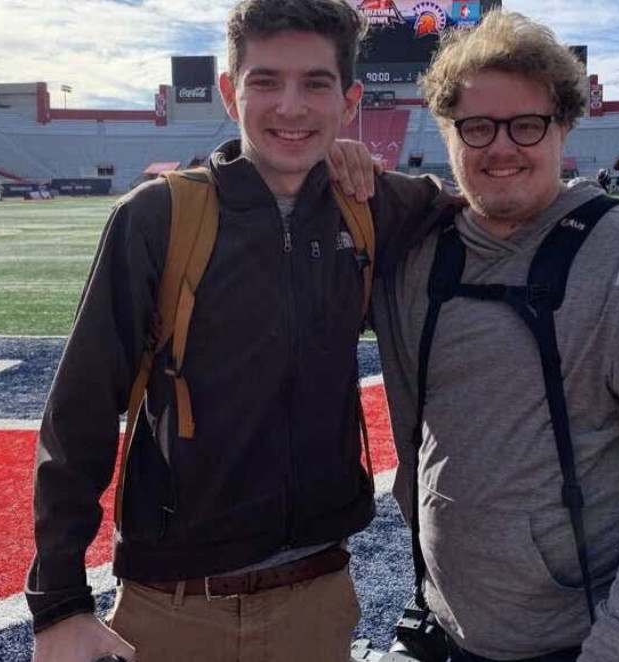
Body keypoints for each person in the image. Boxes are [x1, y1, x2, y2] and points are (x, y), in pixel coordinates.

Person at [26, 2, 450, 661]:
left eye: (315, 84)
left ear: (350, 99)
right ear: (230, 91)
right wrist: (57, 603)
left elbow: (492, 206)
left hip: (318, 598)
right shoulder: (157, 217)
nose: (291, 106)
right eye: (265, 81)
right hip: (172, 605)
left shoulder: (372, 206)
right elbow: (79, 412)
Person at [371, 11, 619, 662]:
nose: (501, 147)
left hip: (586, 642)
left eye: (527, 124)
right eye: (477, 127)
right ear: (446, 132)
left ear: (565, 125)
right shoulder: (417, 255)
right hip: (443, 627)